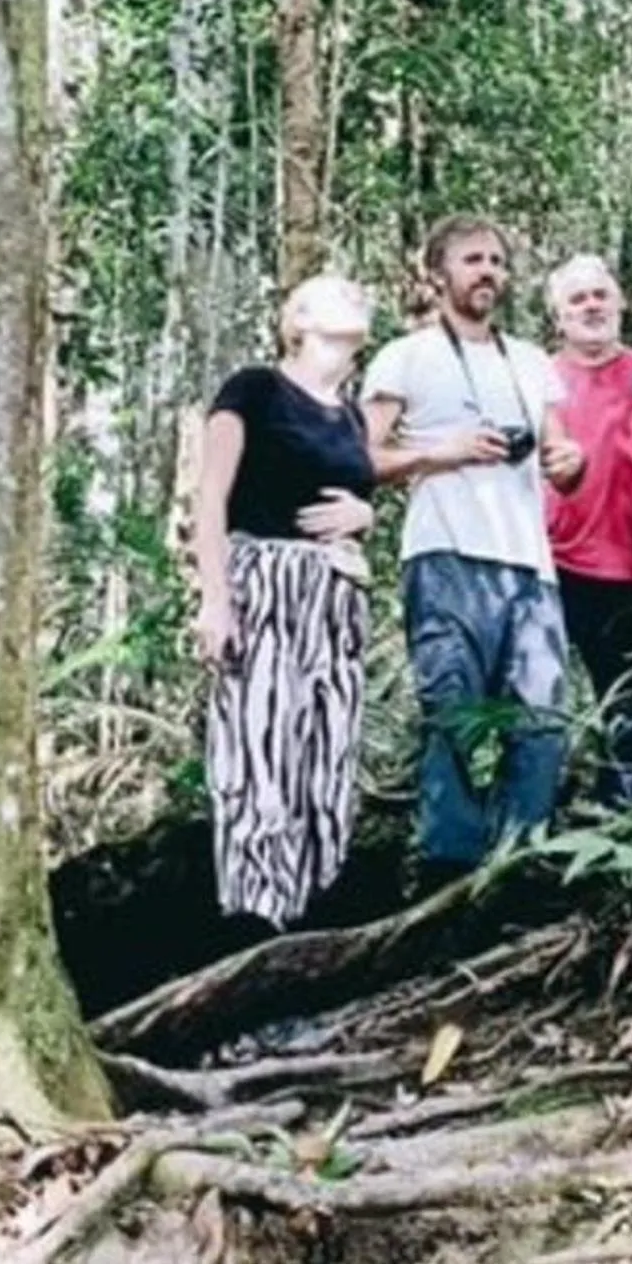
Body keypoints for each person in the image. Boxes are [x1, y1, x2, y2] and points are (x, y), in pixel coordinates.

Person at [362, 217, 585, 880]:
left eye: (495, 260)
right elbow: (358, 457)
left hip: (529, 569)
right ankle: (446, 870)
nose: (486, 271)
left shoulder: (531, 362)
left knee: (541, 720)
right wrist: (442, 451)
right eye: (470, 260)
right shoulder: (405, 355)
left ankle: (520, 860)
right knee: (452, 714)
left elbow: (561, 458)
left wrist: (569, 461)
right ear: (437, 275)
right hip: (443, 558)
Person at [189, 274, 381, 931]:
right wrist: (216, 599)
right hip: (262, 580)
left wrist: (366, 514)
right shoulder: (254, 389)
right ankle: (251, 915)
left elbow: (359, 492)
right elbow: (210, 494)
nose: (355, 294)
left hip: (334, 592)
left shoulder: (352, 413)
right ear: (295, 319)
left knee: (326, 751)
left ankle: (312, 910)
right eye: (334, 292)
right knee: (259, 745)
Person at [541, 254, 632, 808]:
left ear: (620, 304)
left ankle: (624, 823)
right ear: (558, 317)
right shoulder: (537, 378)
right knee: (541, 703)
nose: (591, 306)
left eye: (600, 295)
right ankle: (540, 821)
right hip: (554, 566)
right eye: (577, 299)